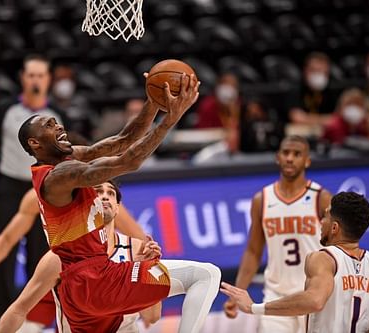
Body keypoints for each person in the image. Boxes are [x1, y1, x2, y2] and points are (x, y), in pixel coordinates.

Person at [17, 72, 219, 333]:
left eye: (56, 122)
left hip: (79, 288)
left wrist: (153, 103)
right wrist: (171, 119)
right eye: (48, 125)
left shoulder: (63, 161)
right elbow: (128, 161)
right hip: (95, 280)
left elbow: (122, 141)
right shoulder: (58, 177)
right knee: (206, 275)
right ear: (35, 143)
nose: (58, 126)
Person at [0, 181, 221, 333]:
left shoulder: (137, 249)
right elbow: (18, 309)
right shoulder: (59, 257)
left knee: (207, 274)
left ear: (117, 207)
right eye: (97, 191)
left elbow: (152, 317)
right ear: (88, 204)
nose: (104, 196)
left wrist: (148, 264)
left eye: (110, 193)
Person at [0, 187, 147, 332]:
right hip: (53, 276)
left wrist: (146, 281)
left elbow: (139, 238)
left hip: (89, 281)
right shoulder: (38, 197)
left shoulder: (99, 196)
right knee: (23, 324)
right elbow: (7, 238)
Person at [0, 54, 67, 324]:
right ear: (23, 78)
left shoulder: (58, 116)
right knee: (5, 252)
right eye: (31, 75)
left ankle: (35, 317)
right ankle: (1, 317)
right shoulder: (5, 109)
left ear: (48, 80)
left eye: (41, 75)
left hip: (44, 189)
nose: (36, 80)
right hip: (10, 187)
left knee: (40, 257)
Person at [220, 192, 369, 333]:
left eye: (325, 216)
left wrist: (253, 307)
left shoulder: (324, 259)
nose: (321, 222)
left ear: (334, 227)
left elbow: (315, 301)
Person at [223, 135, 332, 333]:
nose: (290, 158)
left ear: (307, 160)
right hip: (276, 295)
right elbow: (253, 252)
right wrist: (237, 292)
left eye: (297, 154)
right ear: (277, 157)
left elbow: (335, 252)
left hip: (312, 294)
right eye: (286, 153)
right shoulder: (262, 199)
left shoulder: (321, 198)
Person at [49, 63, 97, 141]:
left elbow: (94, 128)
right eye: (60, 79)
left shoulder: (82, 102)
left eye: (67, 79)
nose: (64, 83)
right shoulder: (47, 104)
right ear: (52, 81)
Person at [288, 52, 336, 126]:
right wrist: (324, 119)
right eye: (313, 70)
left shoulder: (332, 90)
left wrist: (307, 118)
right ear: (305, 71)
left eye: (321, 71)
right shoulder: (295, 89)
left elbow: (337, 119)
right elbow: (296, 118)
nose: (318, 75)